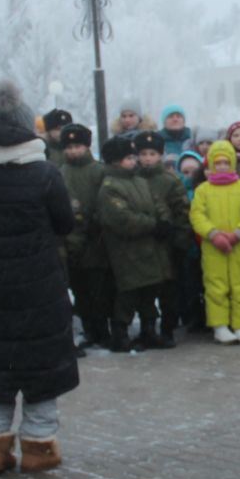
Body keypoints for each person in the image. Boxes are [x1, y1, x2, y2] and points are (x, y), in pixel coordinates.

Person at [0, 82, 79, 475]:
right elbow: (64, 224)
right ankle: (39, 448)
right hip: (41, 286)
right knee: (42, 366)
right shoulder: (45, 173)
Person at [97, 135, 170, 350]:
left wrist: (164, 220)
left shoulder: (139, 181)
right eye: (128, 157)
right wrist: (153, 225)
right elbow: (122, 219)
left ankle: (149, 331)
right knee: (128, 294)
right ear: (115, 161)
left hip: (149, 249)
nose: (134, 161)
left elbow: (157, 203)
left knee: (149, 292)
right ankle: (120, 335)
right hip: (126, 251)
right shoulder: (110, 187)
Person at [189, 139, 240, 343]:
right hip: (212, 246)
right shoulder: (203, 190)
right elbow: (197, 215)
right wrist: (213, 235)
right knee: (216, 284)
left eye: (225, 162)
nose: (221, 166)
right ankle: (219, 325)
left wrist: (238, 233)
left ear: (232, 163)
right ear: (210, 164)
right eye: (217, 162)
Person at [56, 124, 112, 351]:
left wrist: (95, 223)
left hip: (96, 240)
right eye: (68, 147)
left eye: (77, 146)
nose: (73, 151)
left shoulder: (99, 171)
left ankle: (103, 330)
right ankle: (89, 329)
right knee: (81, 291)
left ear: (87, 146)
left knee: (100, 289)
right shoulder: (61, 172)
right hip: (71, 240)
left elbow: (105, 200)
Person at [134, 131, 191, 340]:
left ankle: (168, 329)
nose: (148, 158)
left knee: (169, 290)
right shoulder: (133, 178)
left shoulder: (170, 180)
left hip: (167, 245)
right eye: (143, 153)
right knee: (145, 290)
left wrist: (180, 243)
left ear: (161, 155)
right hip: (141, 244)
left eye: (152, 153)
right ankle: (147, 328)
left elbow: (183, 212)